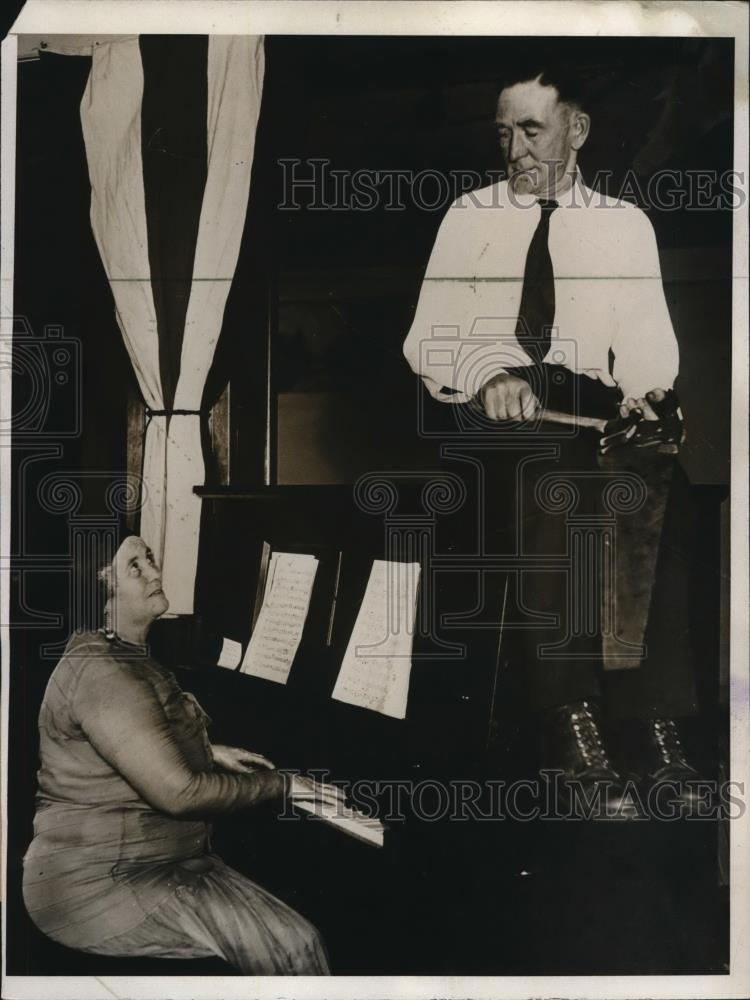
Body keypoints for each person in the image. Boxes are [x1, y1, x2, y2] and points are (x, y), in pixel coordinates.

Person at [403, 62, 703, 812]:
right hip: (492, 417)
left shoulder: (623, 225)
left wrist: (650, 401)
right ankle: (567, 726)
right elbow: (427, 338)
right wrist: (487, 372)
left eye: (531, 129)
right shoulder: (469, 218)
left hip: (588, 409)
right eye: (503, 132)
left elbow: (644, 347)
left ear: (578, 130)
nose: (515, 149)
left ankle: (654, 730)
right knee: (562, 482)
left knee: (659, 485)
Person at [23, 533, 342, 973]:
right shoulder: (105, 671)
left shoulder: (119, 654)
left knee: (292, 933)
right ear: (101, 588)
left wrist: (208, 749)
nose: (155, 571)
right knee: (295, 945)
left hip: (151, 861)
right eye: (135, 567)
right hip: (100, 885)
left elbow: (132, 740)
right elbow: (181, 794)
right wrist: (283, 784)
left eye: (150, 557)